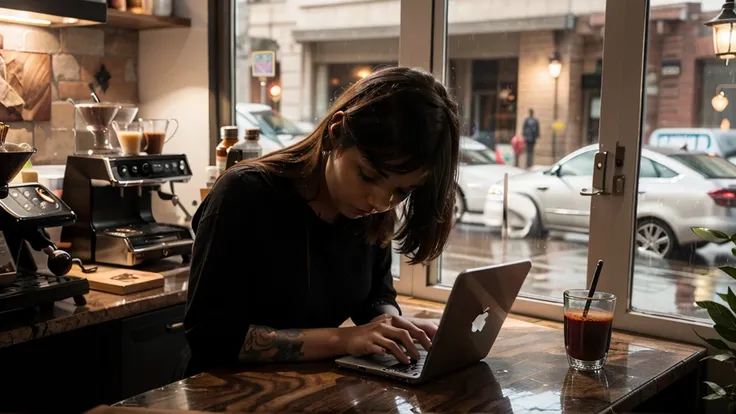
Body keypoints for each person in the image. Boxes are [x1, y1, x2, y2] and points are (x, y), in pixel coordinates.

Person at [184, 67, 460, 375]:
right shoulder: (245, 194)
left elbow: (375, 296)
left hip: (307, 393)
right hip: (220, 395)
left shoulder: (367, 210)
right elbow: (211, 336)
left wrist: (388, 324)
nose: (380, 202)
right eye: (368, 176)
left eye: (402, 191)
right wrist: (343, 339)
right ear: (337, 131)